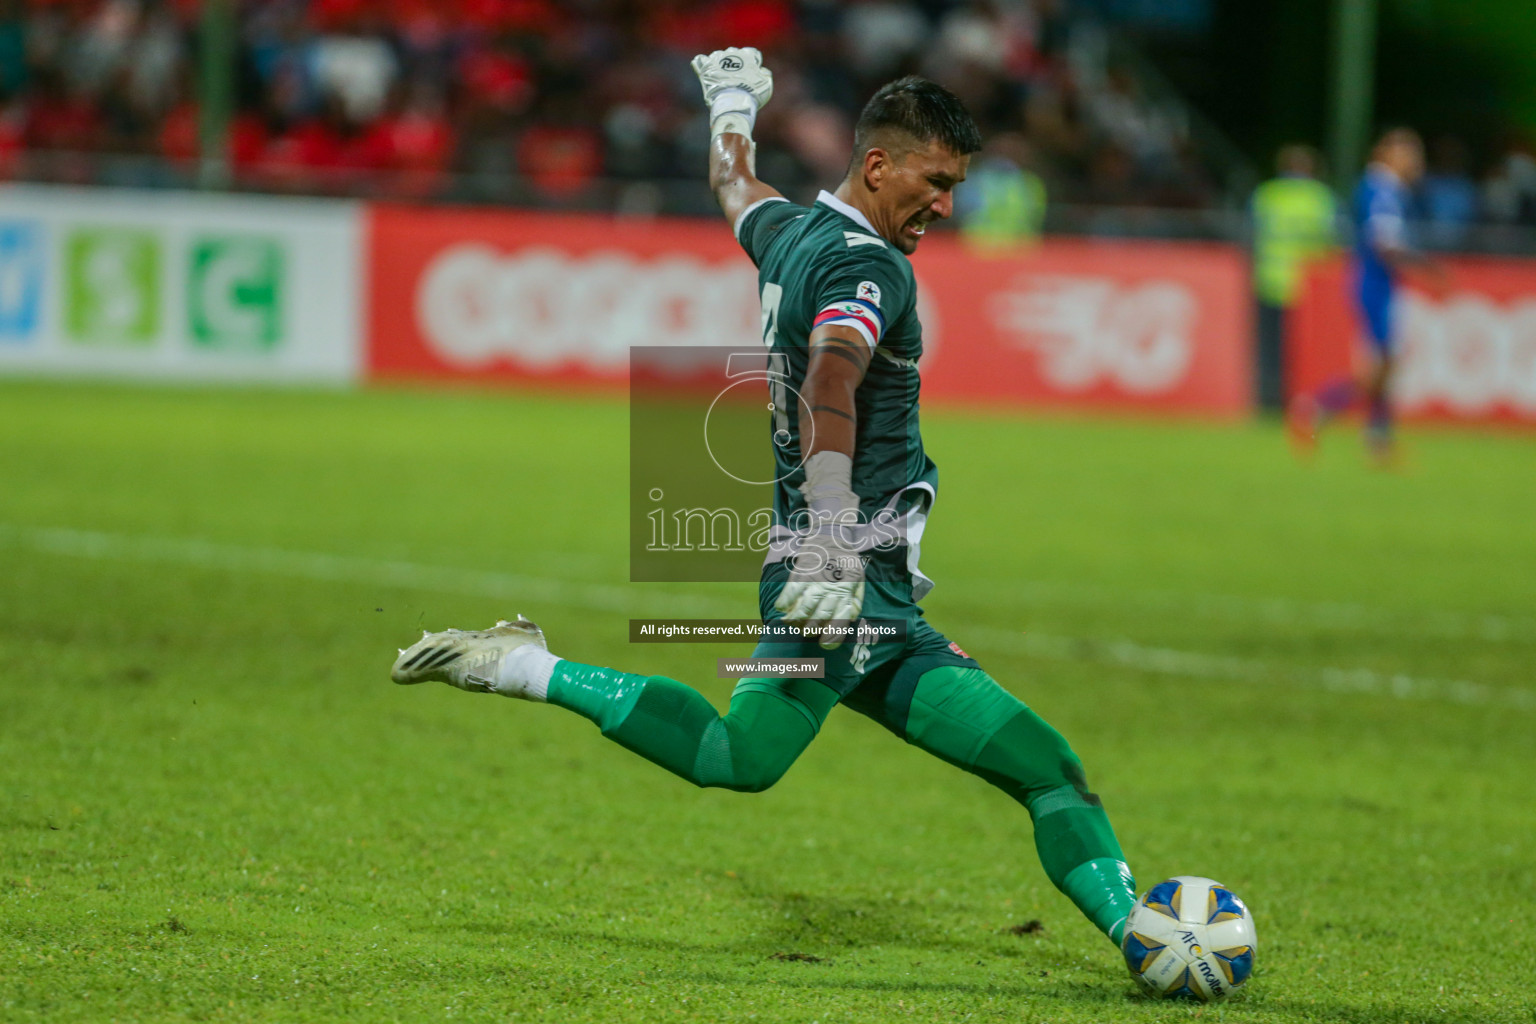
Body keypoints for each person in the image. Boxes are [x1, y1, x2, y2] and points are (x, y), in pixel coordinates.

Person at [390, 49, 1140, 951]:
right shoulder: (874, 272)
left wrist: (732, 103)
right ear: (877, 167)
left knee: (747, 758)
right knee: (1035, 769)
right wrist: (831, 531)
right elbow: (833, 377)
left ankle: (521, 666)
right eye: (936, 182)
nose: (948, 205)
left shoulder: (787, 233)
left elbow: (732, 182)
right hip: (840, 580)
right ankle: (1144, 934)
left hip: (850, 589)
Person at [1288, 128, 1445, 464]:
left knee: (1384, 364)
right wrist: (1425, 264)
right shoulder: (1381, 189)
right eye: (1410, 153)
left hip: (1379, 283)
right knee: (1379, 365)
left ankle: (1375, 437)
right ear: (1387, 154)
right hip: (1375, 284)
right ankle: (1319, 410)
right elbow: (1383, 242)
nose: (1416, 161)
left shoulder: (1389, 189)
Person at [1250, 144, 1335, 412]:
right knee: (1300, 351)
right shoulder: (1320, 197)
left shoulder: (1267, 193)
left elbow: (1250, 233)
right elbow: (1330, 240)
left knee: (1269, 348)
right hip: (1305, 286)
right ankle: (1299, 400)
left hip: (1269, 280)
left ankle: (1267, 401)